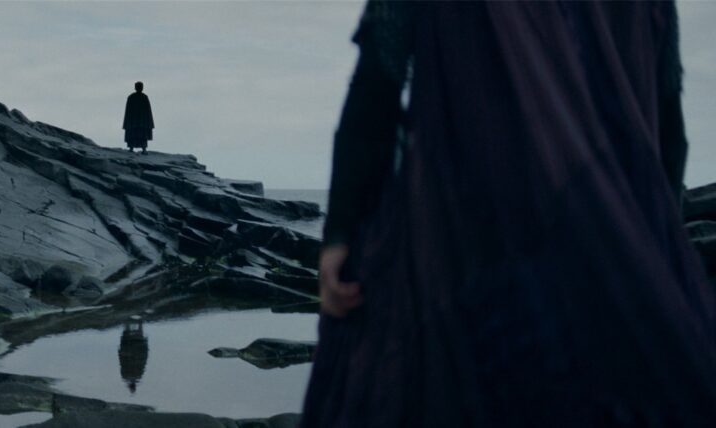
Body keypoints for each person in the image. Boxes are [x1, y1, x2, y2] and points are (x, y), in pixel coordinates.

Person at [302, 1, 716, 427]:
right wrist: (655, 253)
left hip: (469, 253)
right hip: (609, 261)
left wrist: (340, 234)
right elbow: (668, 128)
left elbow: (376, 90)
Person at [123, 81, 154, 154]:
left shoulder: (144, 97)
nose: (140, 88)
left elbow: (148, 111)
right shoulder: (131, 97)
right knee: (133, 134)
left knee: (142, 135)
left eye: (141, 87)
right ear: (135, 87)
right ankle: (131, 148)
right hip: (133, 120)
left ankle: (143, 149)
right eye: (138, 86)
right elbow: (128, 111)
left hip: (142, 120)